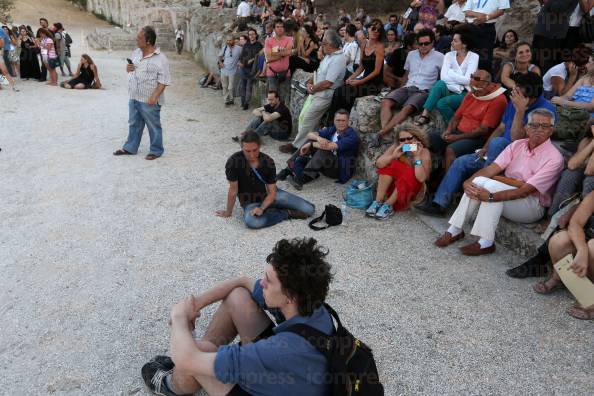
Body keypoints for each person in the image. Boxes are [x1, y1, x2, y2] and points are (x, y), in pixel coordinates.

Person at [141, 237, 336, 395]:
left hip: (278, 367)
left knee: (192, 356)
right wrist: (197, 303)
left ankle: (170, 385)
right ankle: (207, 356)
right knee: (238, 297)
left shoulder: (273, 352)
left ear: (290, 296)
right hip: (294, 379)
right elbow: (242, 282)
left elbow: (186, 359)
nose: (262, 283)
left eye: (268, 281)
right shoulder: (312, 307)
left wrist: (179, 317)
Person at [417, 72, 555, 216]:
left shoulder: (545, 113)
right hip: (494, 153)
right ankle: (439, 203)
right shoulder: (506, 100)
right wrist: (485, 148)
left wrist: (520, 111)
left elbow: (517, 140)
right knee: (460, 162)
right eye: (516, 91)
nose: (516, 96)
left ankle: (479, 183)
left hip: (512, 160)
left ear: (531, 98)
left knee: (497, 143)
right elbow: (501, 127)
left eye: (520, 94)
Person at [434, 108, 564, 256]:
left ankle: (486, 242)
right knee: (479, 180)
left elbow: (525, 190)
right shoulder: (517, 145)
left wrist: (490, 196)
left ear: (551, 131)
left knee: (491, 185)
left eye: (545, 126)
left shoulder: (554, 158)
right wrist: (468, 182)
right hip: (507, 194)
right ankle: (454, 230)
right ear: (526, 128)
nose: (539, 129)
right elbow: (491, 170)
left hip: (531, 206)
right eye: (534, 125)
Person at [217, 131, 314, 229]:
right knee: (252, 222)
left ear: (259, 146)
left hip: (270, 195)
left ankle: (271, 208)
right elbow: (233, 190)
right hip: (250, 201)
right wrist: (228, 212)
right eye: (247, 151)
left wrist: (262, 208)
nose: (251, 155)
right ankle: (286, 213)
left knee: (309, 210)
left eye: (255, 150)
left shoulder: (268, 161)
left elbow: (272, 192)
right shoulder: (233, 162)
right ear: (242, 147)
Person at [278, 29, 345, 154]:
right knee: (306, 118)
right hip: (318, 93)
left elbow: (328, 82)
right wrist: (310, 82)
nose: (321, 45)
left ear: (329, 44)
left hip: (325, 94)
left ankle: (297, 146)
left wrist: (313, 88)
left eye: (323, 43)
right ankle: (308, 146)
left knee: (308, 119)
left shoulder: (338, 59)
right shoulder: (329, 56)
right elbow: (320, 73)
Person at [375, 29, 444, 147]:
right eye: (420, 43)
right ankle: (385, 132)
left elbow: (442, 78)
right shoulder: (411, 55)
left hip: (424, 90)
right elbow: (406, 75)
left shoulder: (440, 57)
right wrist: (398, 90)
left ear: (433, 43)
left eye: (426, 43)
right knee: (386, 101)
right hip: (408, 86)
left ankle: (382, 133)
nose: (423, 46)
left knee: (407, 108)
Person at [428, 69, 507, 171]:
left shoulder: (499, 100)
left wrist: (457, 137)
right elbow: (456, 117)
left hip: (478, 139)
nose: (474, 92)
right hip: (459, 132)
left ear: (488, 85)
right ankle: (417, 164)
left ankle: (445, 181)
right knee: (424, 139)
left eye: (477, 89)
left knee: (451, 150)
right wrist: (448, 130)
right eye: (472, 88)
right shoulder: (472, 94)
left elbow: (483, 130)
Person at [533, 192, 594, 320]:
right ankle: (562, 278)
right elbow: (575, 223)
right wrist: (582, 250)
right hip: (587, 241)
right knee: (559, 241)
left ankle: (591, 301)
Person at [113, 26, 171, 160]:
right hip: (134, 97)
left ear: (149, 40)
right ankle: (130, 148)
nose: (136, 40)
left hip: (149, 99)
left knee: (153, 126)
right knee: (134, 123)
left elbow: (164, 81)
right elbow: (131, 70)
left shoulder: (161, 59)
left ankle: (156, 151)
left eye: (139, 38)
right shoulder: (136, 53)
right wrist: (129, 68)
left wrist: (154, 97)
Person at [277, 110, 360, 190]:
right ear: (334, 121)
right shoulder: (333, 129)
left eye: (343, 120)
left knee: (321, 149)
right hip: (325, 163)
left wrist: (311, 144)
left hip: (338, 169)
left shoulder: (352, 137)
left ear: (348, 122)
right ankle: (288, 169)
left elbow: (329, 147)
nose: (340, 123)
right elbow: (309, 134)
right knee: (303, 155)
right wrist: (318, 138)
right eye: (338, 120)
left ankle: (303, 178)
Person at [366, 123, 432, 220]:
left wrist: (417, 156)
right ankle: (377, 202)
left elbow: (421, 178)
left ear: (416, 137)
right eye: (402, 140)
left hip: (411, 190)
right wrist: (393, 156)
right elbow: (379, 164)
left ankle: (388, 206)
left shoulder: (424, 152)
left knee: (409, 172)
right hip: (395, 187)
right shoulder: (397, 147)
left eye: (409, 138)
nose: (406, 142)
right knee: (389, 165)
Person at [415, 26, 479, 126]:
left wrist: (451, 73)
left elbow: (468, 81)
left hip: (465, 93)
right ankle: (425, 114)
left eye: (455, 41)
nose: (451, 43)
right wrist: (457, 80)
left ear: (464, 44)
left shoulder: (474, 57)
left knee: (441, 103)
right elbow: (444, 77)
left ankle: (453, 126)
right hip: (449, 89)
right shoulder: (449, 55)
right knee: (440, 83)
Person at [326, 19, 385, 119]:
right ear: (368, 29)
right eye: (373, 28)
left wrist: (359, 81)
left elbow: (377, 71)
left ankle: (342, 120)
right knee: (339, 90)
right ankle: (332, 121)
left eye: (378, 30)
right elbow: (362, 66)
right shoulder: (364, 44)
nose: (375, 31)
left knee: (346, 93)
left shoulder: (379, 47)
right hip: (364, 80)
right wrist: (352, 77)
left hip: (374, 84)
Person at [532, 0, 579, 74]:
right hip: (543, 31)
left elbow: (556, 8)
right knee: (535, 61)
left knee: (546, 65)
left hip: (552, 33)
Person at [463, 0, 510, 72]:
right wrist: (480, 15)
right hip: (471, 27)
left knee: (484, 59)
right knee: (468, 56)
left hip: (487, 28)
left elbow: (501, 10)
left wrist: (486, 17)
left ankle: (484, 79)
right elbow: (467, 12)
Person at [264, 19, 293, 103]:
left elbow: (288, 51)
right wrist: (282, 53)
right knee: (272, 98)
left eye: (282, 27)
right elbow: (268, 56)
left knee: (284, 97)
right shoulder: (268, 40)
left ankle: (282, 115)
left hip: (285, 73)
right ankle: (273, 115)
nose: (280, 28)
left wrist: (274, 52)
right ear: (274, 28)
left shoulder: (289, 39)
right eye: (277, 27)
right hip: (272, 73)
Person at [237, 29, 263, 110]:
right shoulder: (246, 45)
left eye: (253, 34)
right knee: (242, 85)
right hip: (243, 67)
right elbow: (242, 55)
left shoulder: (259, 45)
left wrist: (253, 60)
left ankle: (246, 103)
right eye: (250, 34)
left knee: (249, 86)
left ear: (256, 35)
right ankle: (242, 101)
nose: (251, 36)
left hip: (252, 69)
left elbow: (259, 57)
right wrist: (239, 62)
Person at [218, 34, 242, 106]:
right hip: (224, 70)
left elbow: (243, 56)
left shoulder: (239, 48)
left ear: (233, 40)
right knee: (224, 86)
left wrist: (240, 62)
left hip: (233, 70)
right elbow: (219, 56)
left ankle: (231, 99)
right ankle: (226, 100)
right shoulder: (224, 48)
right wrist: (220, 63)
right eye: (227, 40)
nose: (228, 42)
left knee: (230, 87)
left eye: (230, 40)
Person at [36, 18, 49, 82]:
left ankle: (51, 76)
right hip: (43, 49)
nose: (42, 23)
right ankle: (43, 77)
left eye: (44, 22)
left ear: (46, 22)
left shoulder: (50, 30)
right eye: (41, 22)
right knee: (43, 63)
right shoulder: (39, 30)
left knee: (49, 63)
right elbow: (37, 39)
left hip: (50, 48)